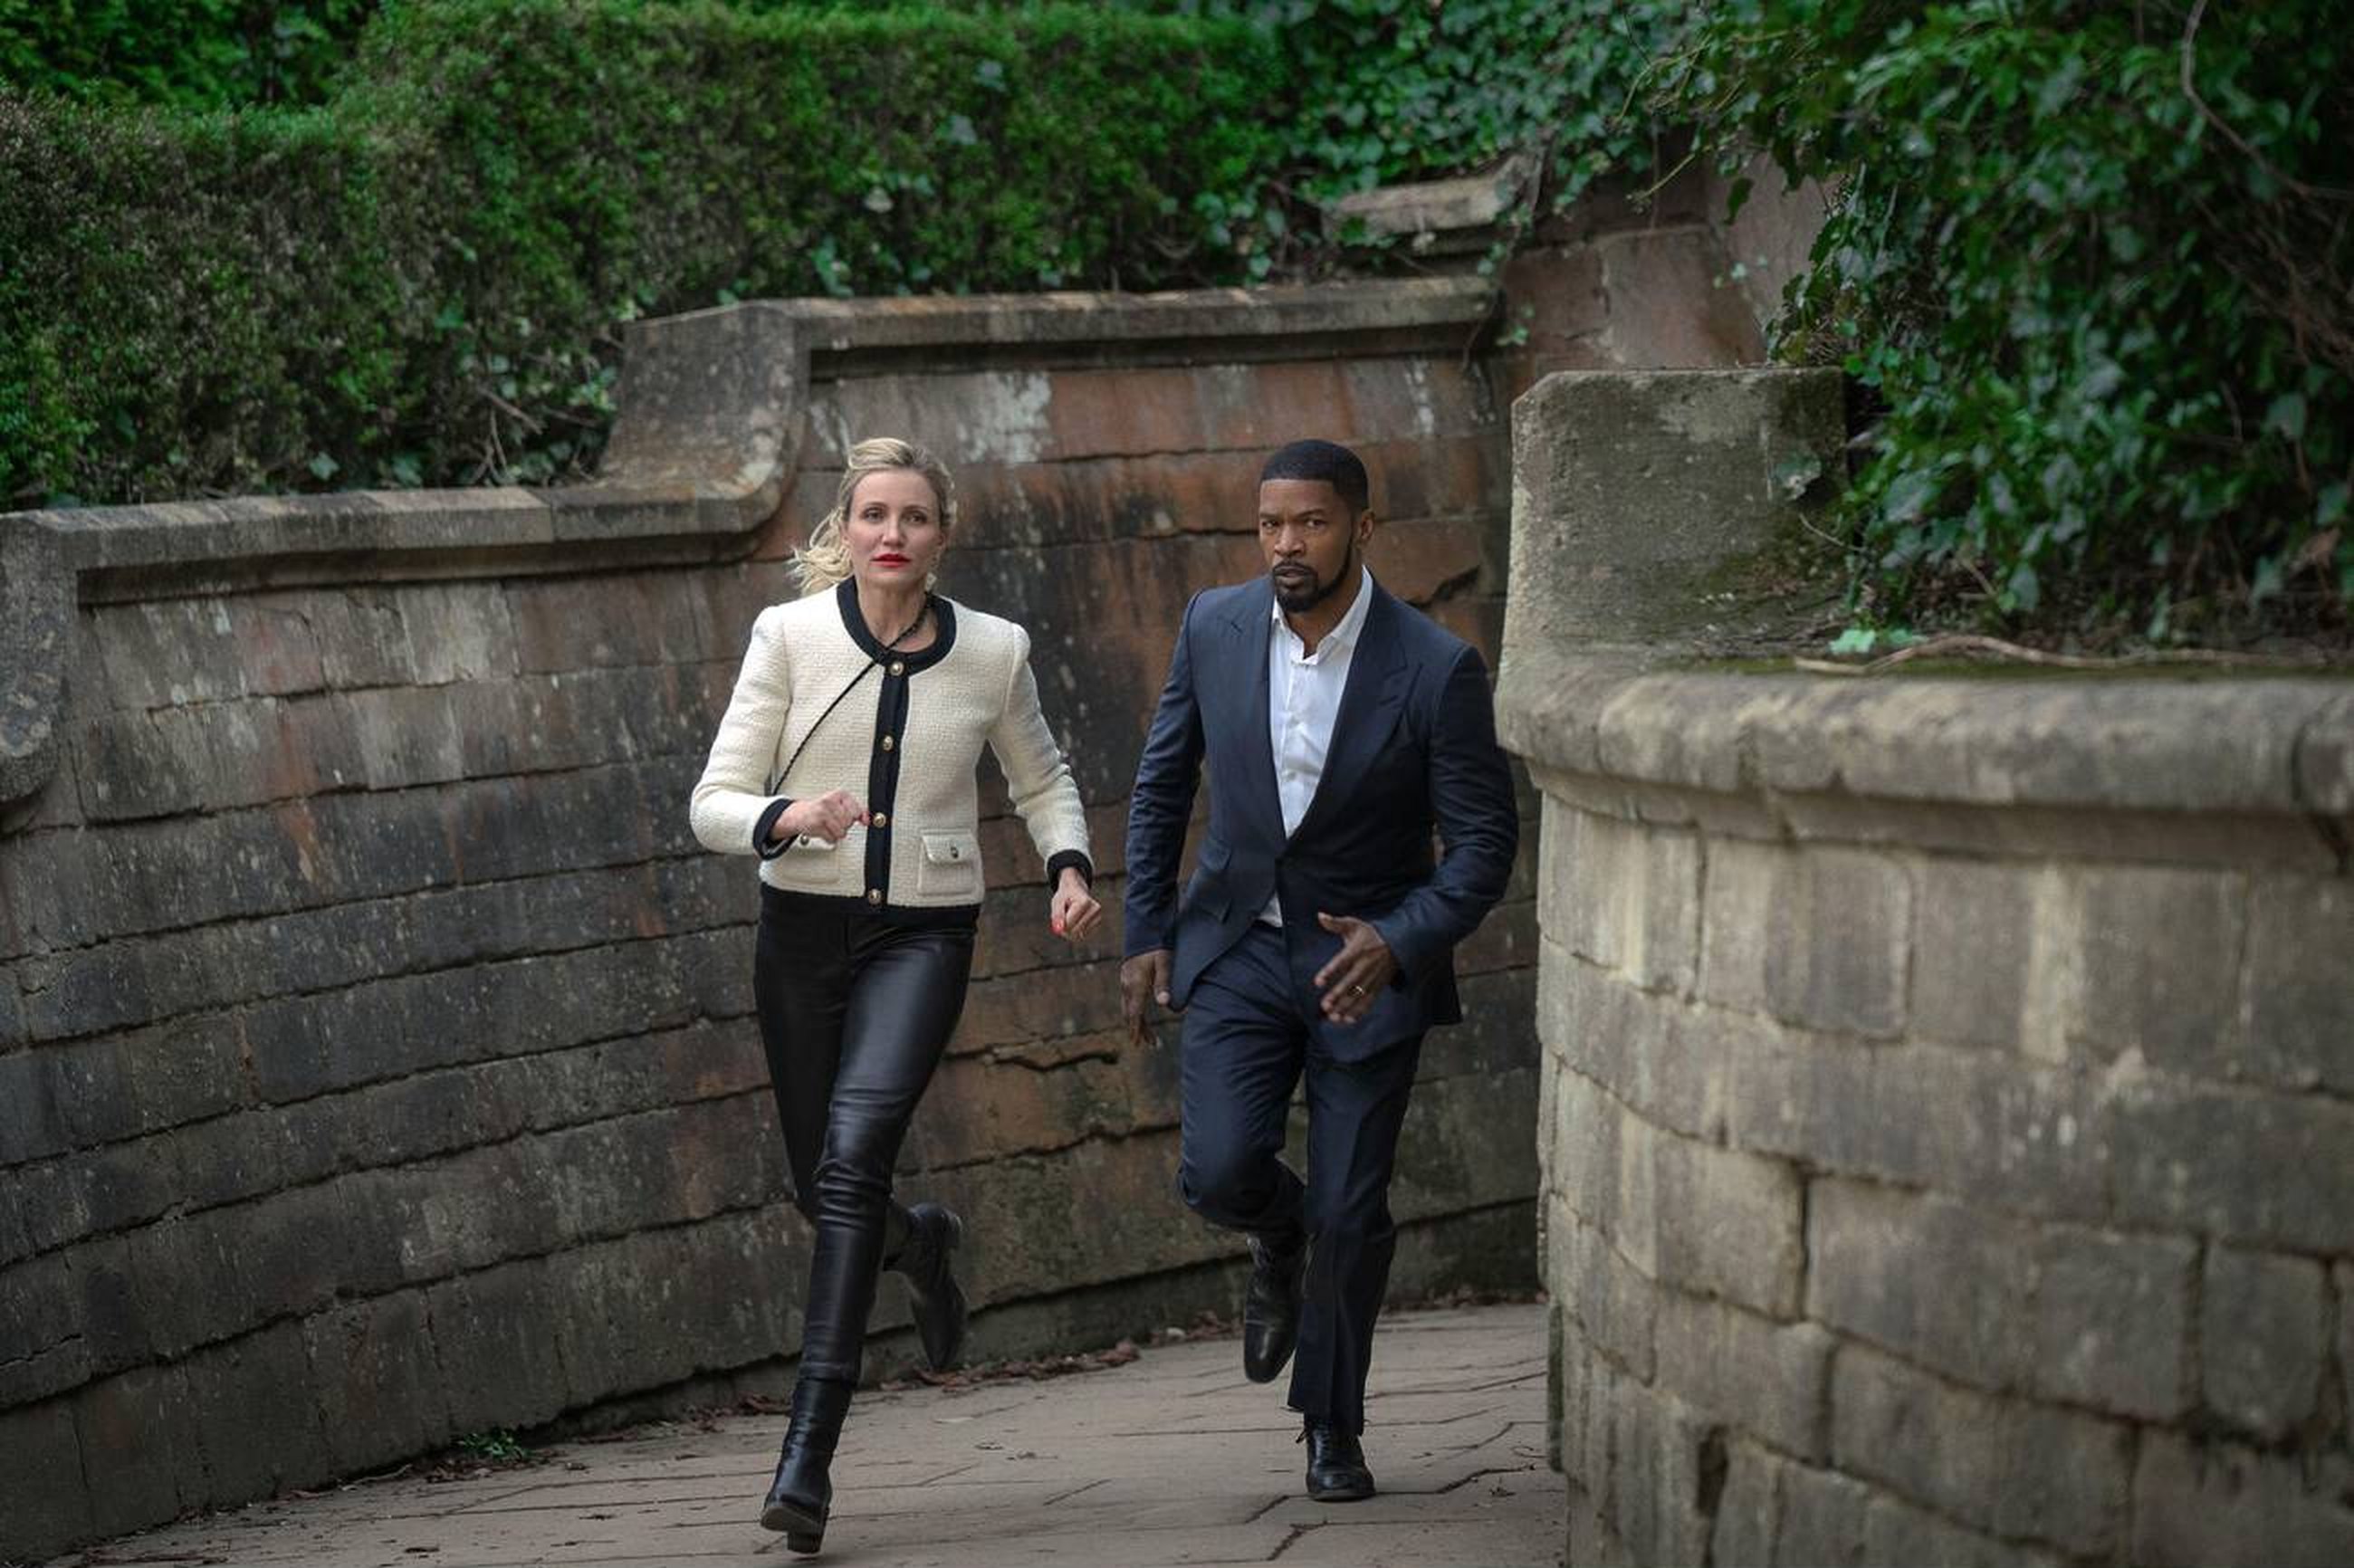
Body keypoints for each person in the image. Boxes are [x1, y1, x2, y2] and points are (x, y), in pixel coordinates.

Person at [689, 436, 1102, 1555]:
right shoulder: (789, 637)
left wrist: (1067, 865)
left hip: (924, 933)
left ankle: (806, 1456)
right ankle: (919, 1246)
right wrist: (784, 817)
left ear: (940, 535)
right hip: (800, 937)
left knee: (853, 1154)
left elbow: (1042, 779)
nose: (891, 533)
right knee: (822, 1189)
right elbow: (714, 800)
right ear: (845, 527)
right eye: (873, 513)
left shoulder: (994, 652)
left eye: (913, 516)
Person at [1120, 438, 1517, 1502]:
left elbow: (1483, 844)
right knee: (1217, 1171)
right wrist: (1145, 927)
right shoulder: (1213, 625)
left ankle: (1330, 1425)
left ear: (1360, 527)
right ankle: (1275, 1232)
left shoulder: (1433, 667)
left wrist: (1400, 935)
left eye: (1310, 523)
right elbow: (1162, 782)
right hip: (1238, 944)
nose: (1285, 544)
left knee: (1351, 1206)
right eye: (1269, 524)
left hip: (1360, 962)